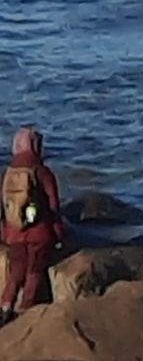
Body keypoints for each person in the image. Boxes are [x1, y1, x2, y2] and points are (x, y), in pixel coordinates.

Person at [1, 126, 66, 320]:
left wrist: (5, 230)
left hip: (13, 232)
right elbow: (53, 204)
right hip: (39, 233)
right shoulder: (42, 172)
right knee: (35, 271)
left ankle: (4, 308)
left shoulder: (8, 173)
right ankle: (25, 311)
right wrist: (58, 232)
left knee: (16, 273)